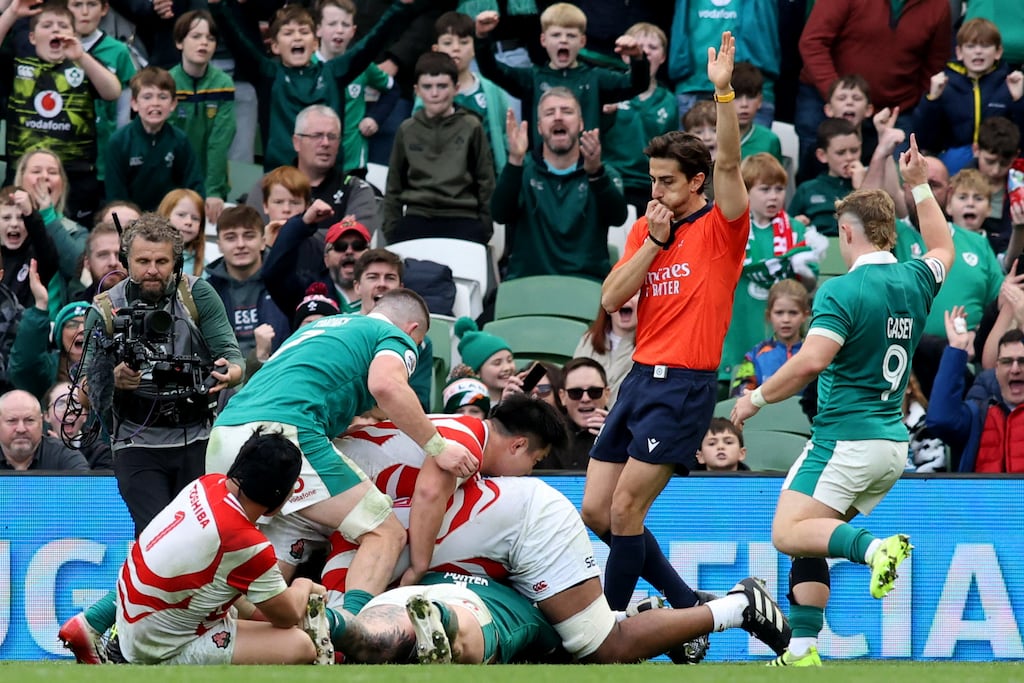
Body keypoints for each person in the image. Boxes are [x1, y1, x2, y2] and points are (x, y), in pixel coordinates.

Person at [730, 134, 955, 667]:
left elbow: (810, 361)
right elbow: (943, 247)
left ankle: (877, 549)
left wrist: (755, 399)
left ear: (848, 233)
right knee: (814, 534)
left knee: (788, 531)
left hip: (845, 439)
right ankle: (804, 648)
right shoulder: (915, 278)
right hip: (891, 446)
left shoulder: (840, 290)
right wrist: (920, 185)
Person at [580, 33, 749, 630]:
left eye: (668, 182)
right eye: (652, 180)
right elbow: (609, 298)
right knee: (597, 511)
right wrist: (652, 241)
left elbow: (728, 159)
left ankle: (608, 630)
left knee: (626, 507)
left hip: (684, 385)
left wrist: (723, 90)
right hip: (637, 381)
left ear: (697, 182)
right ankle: (688, 607)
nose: (656, 192)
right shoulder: (649, 230)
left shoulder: (722, 227)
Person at [205, 288, 478, 620]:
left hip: (225, 433)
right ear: (413, 331)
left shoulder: (321, 329)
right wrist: (438, 446)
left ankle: (246, 635)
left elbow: (359, 394)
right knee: (384, 532)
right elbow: (388, 386)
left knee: (255, 562)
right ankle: (350, 634)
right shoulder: (394, 336)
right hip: (286, 434)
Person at [323, 474, 791, 663]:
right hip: (471, 577)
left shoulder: (351, 504)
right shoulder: (351, 519)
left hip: (512, 544)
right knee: (383, 628)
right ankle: (348, 628)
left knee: (602, 647)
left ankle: (737, 606)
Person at [113, 429, 333, 665]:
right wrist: (304, 584)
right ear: (281, 494)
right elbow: (287, 616)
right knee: (299, 645)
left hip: (134, 625)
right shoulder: (244, 542)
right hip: (156, 647)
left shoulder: (207, 484)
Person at [312, 394, 568, 597]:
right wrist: (418, 566)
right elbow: (429, 492)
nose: (528, 472)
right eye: (535, 461)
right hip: (318, 485)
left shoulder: (461, 429)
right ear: (518, 445)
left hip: (318, 488)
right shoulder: (468, 442)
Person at [210, 0, 417, 172]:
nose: (297, 37)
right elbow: (237, 42)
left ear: (315, 42)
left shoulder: (333, 73)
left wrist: (399, 6)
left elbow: (372, 43)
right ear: (274, 46)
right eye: (288, 33)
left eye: (303, 31)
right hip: (282, 183)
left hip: (329, 181)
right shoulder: (268, 75)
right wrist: (217, 6)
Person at [0, 0, 121, 224]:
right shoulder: (18, 65)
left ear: (74, 34)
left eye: (63, 26)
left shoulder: (83, 66)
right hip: (22, 172)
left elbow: (113, 91)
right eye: (47, 25)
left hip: (76, 177)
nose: (55, 29)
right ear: (32, 37)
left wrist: (81, 56)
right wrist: (12, 13)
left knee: (71, 240)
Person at [473, 3, 647, 151]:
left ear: (582, 42)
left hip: (585, 171)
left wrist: (638, 58)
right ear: (543, 40)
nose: (563, 40)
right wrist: (481, 37)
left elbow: (636, 84)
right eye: (556, 35)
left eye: (571, 35)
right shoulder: (532, 78)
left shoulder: (596, 78)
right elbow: (492, 70)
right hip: (542, 172)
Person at [493, 88, 627, 281]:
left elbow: (618, 218)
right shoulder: (522, 169)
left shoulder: (603, 172)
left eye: (566, 111)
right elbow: (500, 214)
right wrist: (515, 160)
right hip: (528, 284)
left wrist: (596, 175)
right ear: (539, 127)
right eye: (549, 113)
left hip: (587, 285)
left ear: (580, 123)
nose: (558, 117)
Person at [720, 153, 820, 389]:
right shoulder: (732, 229)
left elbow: (809, 284)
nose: (774, 196)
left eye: (779, 189)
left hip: (783, 337)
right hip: (739, 322)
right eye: (765, 189)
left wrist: (803, 270)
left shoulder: (795, 229)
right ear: (746, 191)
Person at [383, 51, 495, 245]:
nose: (434, 93)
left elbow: (486, 182)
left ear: (456, 88)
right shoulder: (407, 129)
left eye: (442, 86)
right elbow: (394, 184)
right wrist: (392, 229)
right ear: (417, 90)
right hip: (417, 216)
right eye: (427, 87)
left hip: (462, 217)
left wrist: (484, 227)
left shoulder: (471, 126)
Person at [341, 571, 563, 664]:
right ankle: (442, 619)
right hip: (474, 603)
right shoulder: (517, 601)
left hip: (405, 592)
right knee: (467, 633)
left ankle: (333, 624)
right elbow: (554, 649)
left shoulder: (431, 569)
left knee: (377, 637)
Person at [914, 18, 1024, 175]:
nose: (978, 51)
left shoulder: (1010, 83)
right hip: (956, 160)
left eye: (985, 46)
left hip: (998, 160)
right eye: (971, 46)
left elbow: (1021, 139)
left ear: (998, 52)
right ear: (959, 52)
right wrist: (932, 99)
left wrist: (1019, 101)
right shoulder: (944, 84)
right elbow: (925, 140)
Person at [596, 21, 677, 216]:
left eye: (653, 47)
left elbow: (672, 152)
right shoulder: (608, 91)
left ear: (663, 56)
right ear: (625, 55)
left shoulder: (669, 101)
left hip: (652, 188)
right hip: (612, 182)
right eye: (639, 47)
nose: (646, 52)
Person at [315, 0, 398, 179]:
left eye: (345, 24)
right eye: (332, 24)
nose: (339, 30)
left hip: (353, 164)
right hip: (313, 164)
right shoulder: (306, 68)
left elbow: (392, 89)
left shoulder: (361, 66)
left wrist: (375, 118)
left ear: (353, 31)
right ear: (318, 29)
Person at [928, 318, 1024, 473]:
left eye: (1022, 361)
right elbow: (940, 420)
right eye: (1007, 361)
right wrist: (956, 349)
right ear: (996, 370)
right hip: (982, 497)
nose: (1015, 369)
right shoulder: (979, 414)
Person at [168, 10, 236, 225]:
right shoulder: (167, 83)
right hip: (172, 185)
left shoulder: (223, 83)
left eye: (210, 38)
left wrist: (213, 190)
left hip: (211, 185)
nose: (204, 43)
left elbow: (220, 141)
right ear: (180, 42)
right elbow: (168, 141)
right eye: (196, 36)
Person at [104, 66, 205, 211]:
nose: (155, 103)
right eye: (147, 97)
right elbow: (114, 199)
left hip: (170, 220)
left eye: (163, 97)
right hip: (131, 222)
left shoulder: (180, 140)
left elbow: (195, 188)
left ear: (173, 104)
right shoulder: (119, 142)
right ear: (134, 104)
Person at [429, 11, 511, 176]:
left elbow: (505, 136)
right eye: (447, 42)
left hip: (488, 182)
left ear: (474, 48)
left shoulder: (493, 90)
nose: (456, 48)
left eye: (464, 42)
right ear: (435, 50)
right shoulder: (429, 90)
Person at [68, 0, 136, 196]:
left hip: (104, 161)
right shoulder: (53, 48)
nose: (85, 12)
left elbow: (124, 113)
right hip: (65, 157)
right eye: (77, 4)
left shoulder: (118, 51)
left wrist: (120, 154)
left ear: (104, 8)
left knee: (110, 219)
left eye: (92, 4)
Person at [206, 205, 290, 359]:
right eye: (231, 238)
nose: (240, 245)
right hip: (226, 376)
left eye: (249, 236)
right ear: (219, 245)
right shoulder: (208, 291)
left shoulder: (286, 282)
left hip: (278, 372)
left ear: (263, 242)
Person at [8, 272, 87, 402]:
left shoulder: (110, 366)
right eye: (72, 325)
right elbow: (25, 365)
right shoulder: (48, 368)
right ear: (59, 336)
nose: (81, 330)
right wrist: (40, 305)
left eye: (89, 324)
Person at [731, 279, 811, 398]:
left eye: (793, 313)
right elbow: (739, 395)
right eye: (779, 313)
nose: (786, 319)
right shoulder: (755, 356)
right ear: (769, 315)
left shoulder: (814, 352)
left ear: (805, 315)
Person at [788, 118, 864, 236]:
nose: (849, 157)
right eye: (841, 152)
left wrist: (861, 189)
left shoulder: (870, 186)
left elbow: (880, 229)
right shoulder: (807, 189)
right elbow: (785, 228)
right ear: (822, 155)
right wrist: (796, 224)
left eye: (854, 150)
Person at [536, 357, 608, 471]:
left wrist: (617, 441)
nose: (585, 399)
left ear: (607, 394)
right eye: (575, 393)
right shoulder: (544, 435)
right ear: (562, 397)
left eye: (595, 392)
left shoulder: (627, 434)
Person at [0, 186, 59, 310]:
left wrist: (30, 214)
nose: (14, 224)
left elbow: (48, 253)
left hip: (26, 325)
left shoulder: (37, 254)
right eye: (6, 218)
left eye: (21, 217)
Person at [0, 389, 89, 471]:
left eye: (29, 420)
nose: (21, 429)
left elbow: (84, 486)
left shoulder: (64, 455)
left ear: (41, 422)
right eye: (11, 421)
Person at [574, 290, 638, 404]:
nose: (626, 298)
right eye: (619, 292)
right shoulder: (588, 340)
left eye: (634, 294)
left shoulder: (652, 344)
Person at [43, 380, 111, 469]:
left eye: (75, 404)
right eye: (60, 404)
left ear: (85, 415)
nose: (69, 410)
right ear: (47, 416)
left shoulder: (100, 452)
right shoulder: (36, 449)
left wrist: (63, 449)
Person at [452, 316, 514, 404]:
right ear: (476, 373)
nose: (507, 367)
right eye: (497, 363)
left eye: (510, 360)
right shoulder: (469, 407)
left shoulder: (520, 398)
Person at [733, 62, 783, 164]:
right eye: (736, 96)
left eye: (751, 97)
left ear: (760, 101)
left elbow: (776, 179)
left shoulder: (770, 140)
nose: (744, 104)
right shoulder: (710, 138)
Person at [157, 188, 206, 277]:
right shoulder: (147, 257)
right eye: (181, 215)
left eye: (195, 218)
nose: (189, 222)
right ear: (164, 216)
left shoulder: (206, 269)